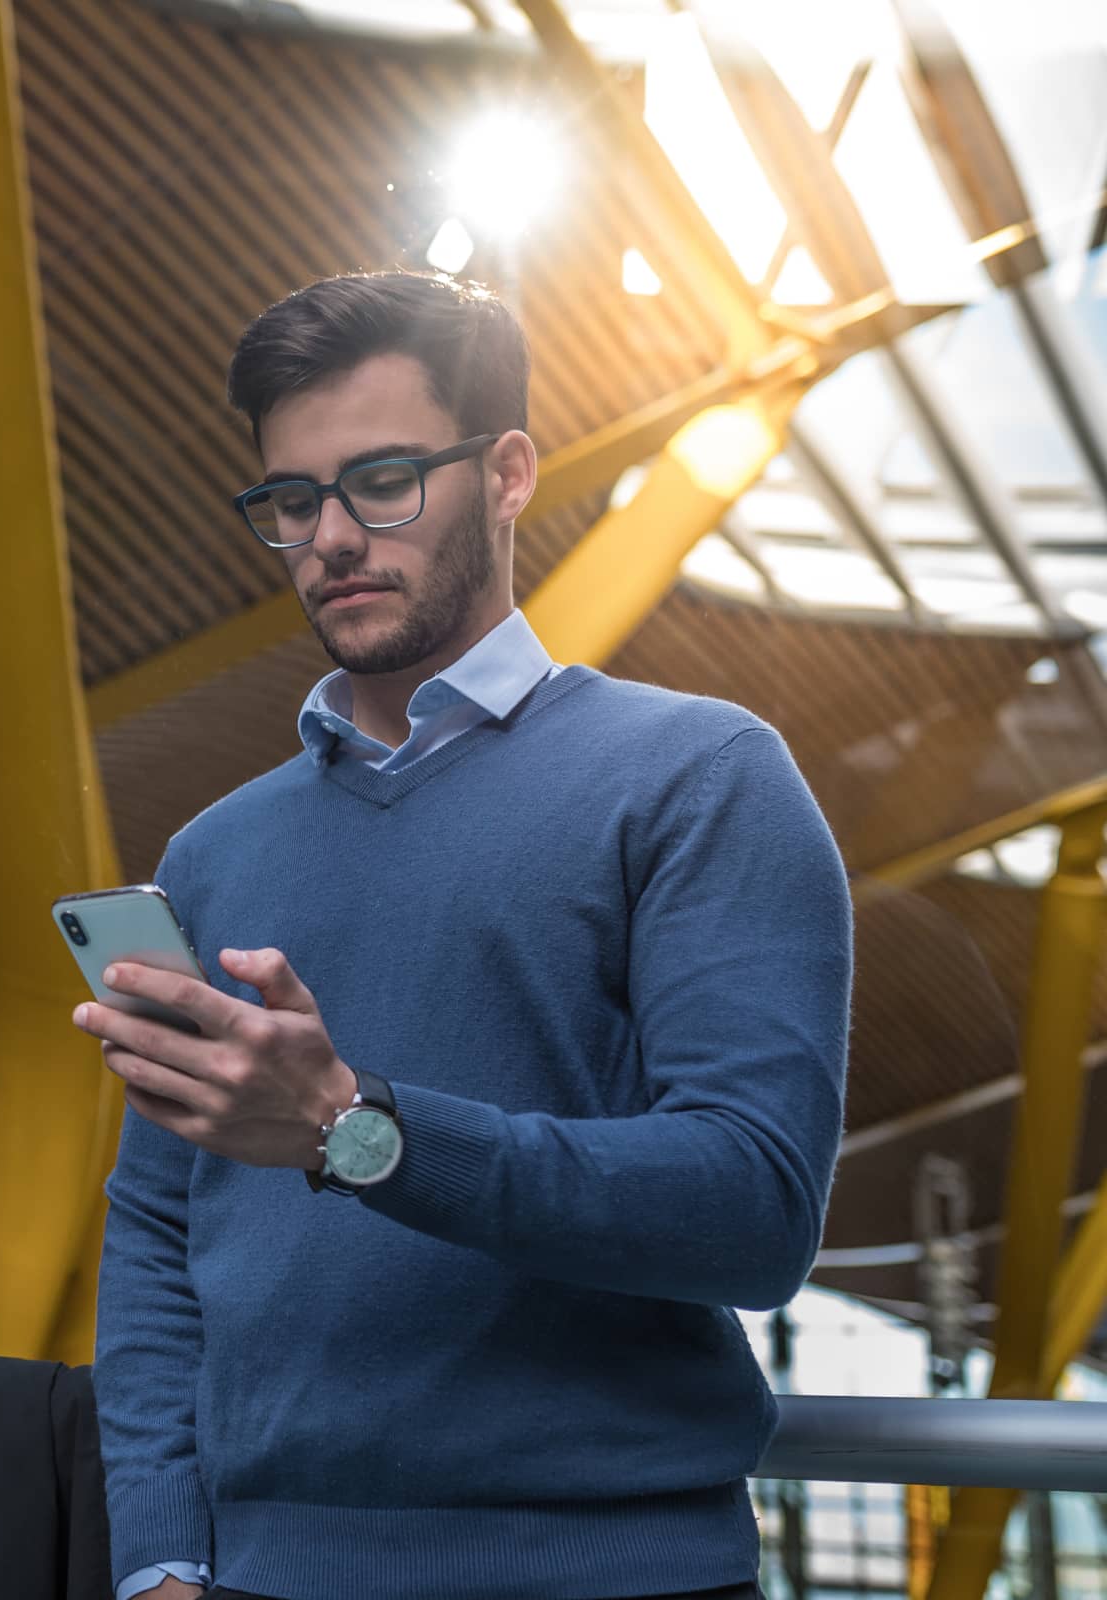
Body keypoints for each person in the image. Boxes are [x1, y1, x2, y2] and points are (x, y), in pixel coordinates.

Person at [75, 270, 850, 1600]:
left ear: (505, 473)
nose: (331, 535)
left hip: (613, 1577)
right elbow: (156, 1231)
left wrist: (353, 1127)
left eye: (383, 481)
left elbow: (753, 1208)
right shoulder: (214, 852)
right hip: (255, 1579)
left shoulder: (700, 776)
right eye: (294, 499)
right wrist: (158, 1553)